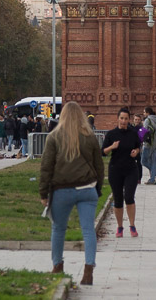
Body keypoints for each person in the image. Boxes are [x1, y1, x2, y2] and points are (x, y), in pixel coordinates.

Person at [39, 101, 104, 286]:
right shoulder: (90, 136)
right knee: (88, 230)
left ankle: (57, 266)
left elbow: (46, 167)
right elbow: (99, 166)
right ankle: (89, 270)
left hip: (62, 190)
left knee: (58, 229)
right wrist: (97, 188)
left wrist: (43, 193)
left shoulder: (53, 137)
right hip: (87, 189)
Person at [102, 107, 142, 238]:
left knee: (129, 197)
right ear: (118, 119)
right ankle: (119, 227)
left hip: (131, 169)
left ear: (129, 119)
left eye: (126, 118)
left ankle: (132, 225)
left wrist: (136, 152)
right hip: (115, 170)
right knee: (118, 199)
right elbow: (103, 152)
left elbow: (138, 147)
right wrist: (112, 147)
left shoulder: (133, 133)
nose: (124, 121)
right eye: (121, 118)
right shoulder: (111, 134)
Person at [141, 106, 156, 185]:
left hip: (148, 143)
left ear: (148, 113)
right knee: (153, 162)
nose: (143, 114)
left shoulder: (147, 120)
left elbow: (143, 131)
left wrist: (139, 137)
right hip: (155, 143)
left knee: (143, 161)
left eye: (144, 112)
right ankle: (152, 179)